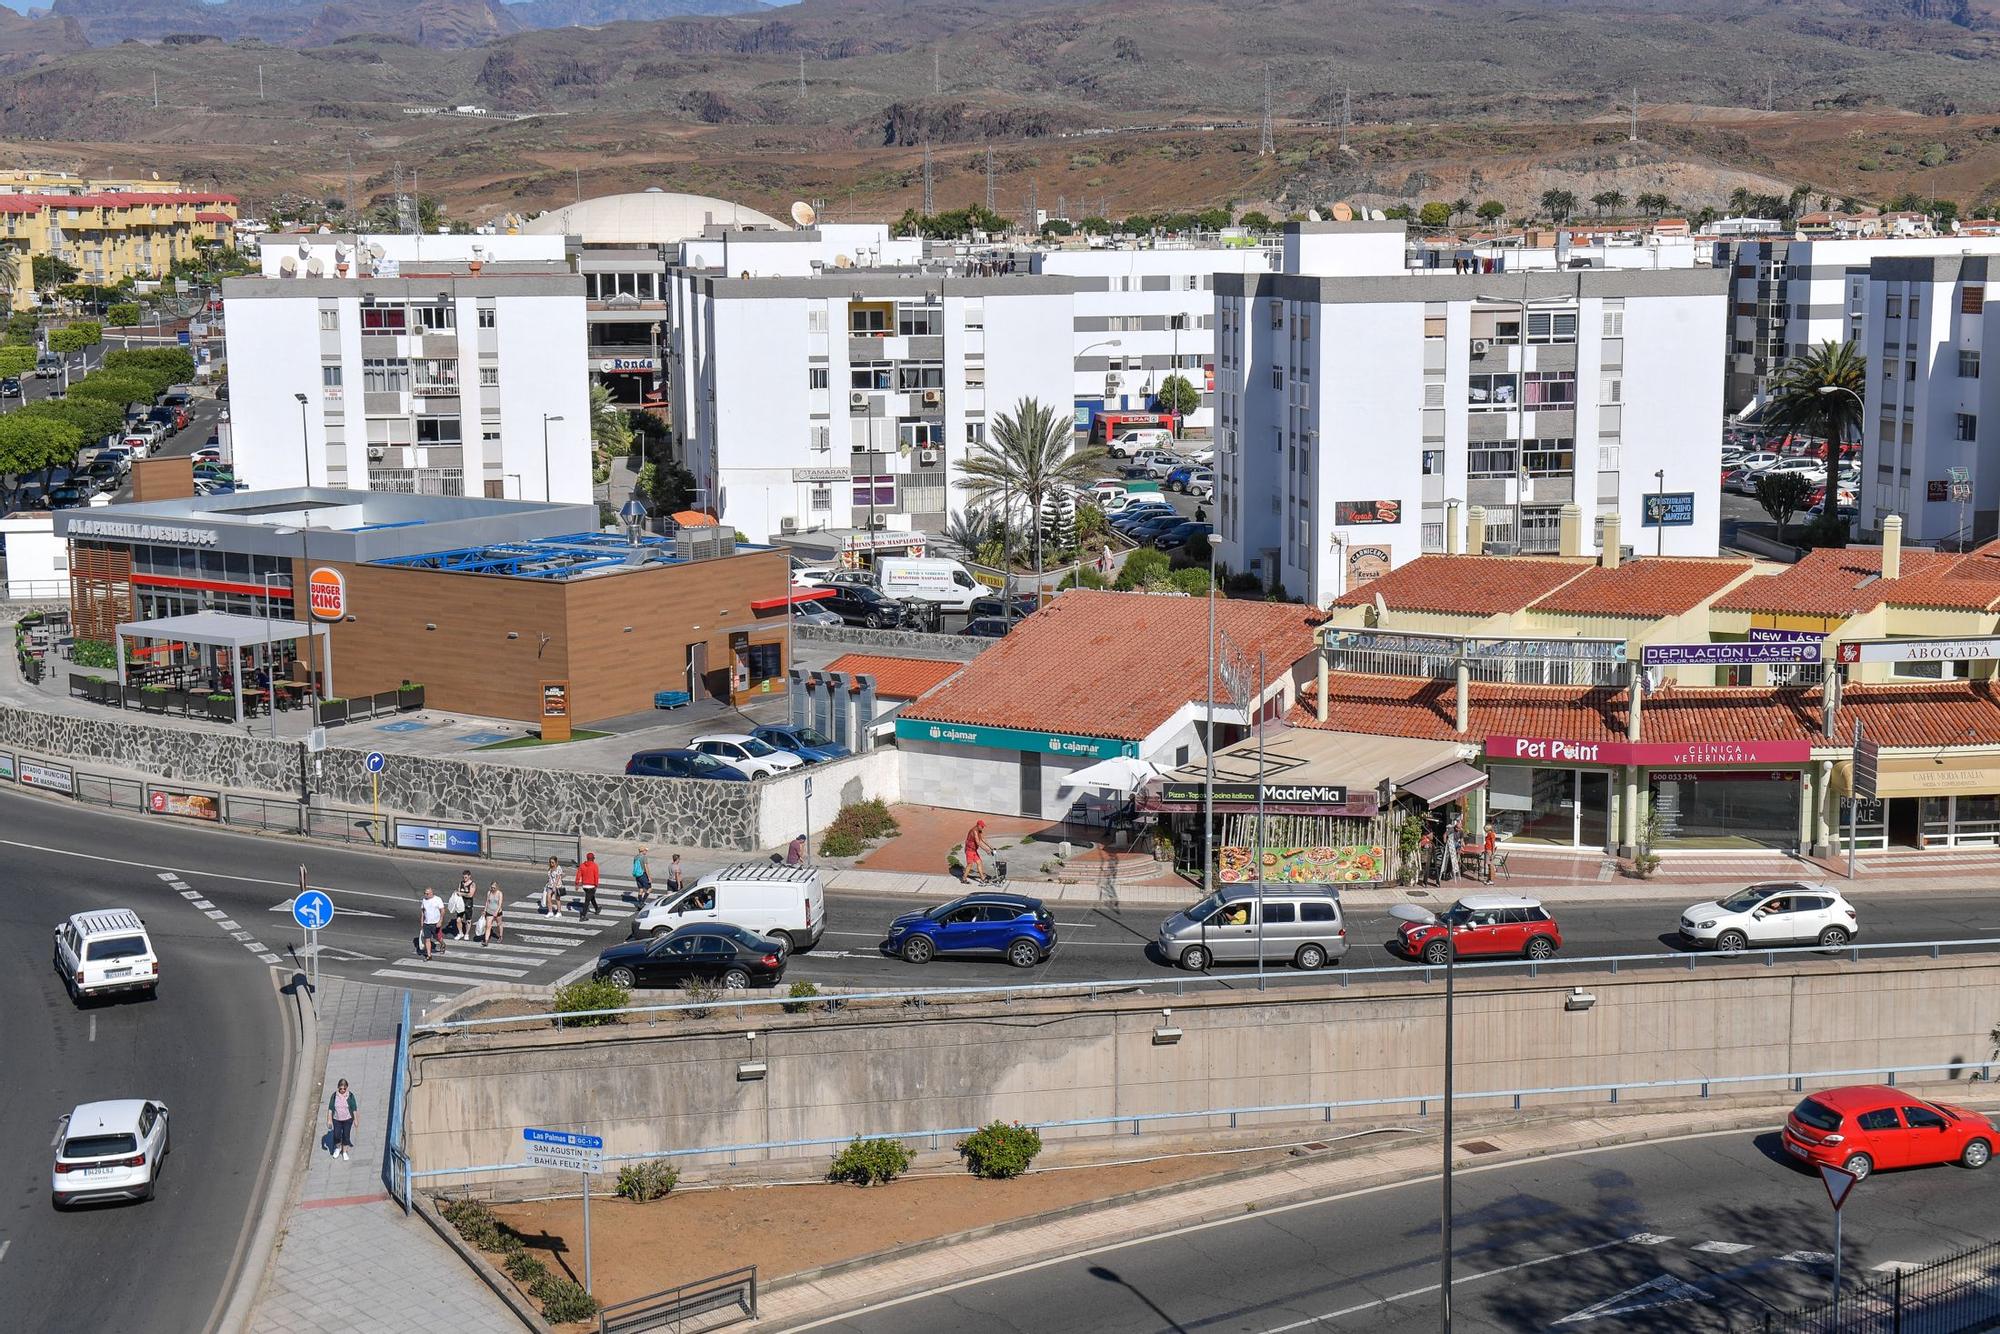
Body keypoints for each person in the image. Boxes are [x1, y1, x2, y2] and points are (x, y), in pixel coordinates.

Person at [327, 1078, 356, 1161]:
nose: (342, 1090)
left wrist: (356, 1120)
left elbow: (354, 1108)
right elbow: (330, 1108)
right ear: (338, 1088)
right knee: (336, 1134)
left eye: (344, 1088)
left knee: (346, 1135)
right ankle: (338, 1147)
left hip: (348, 1119)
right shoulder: (334, 1096)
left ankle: (344, 1152)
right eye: (341, 1088)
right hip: (337, 1119)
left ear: (347, 1087)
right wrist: (329, 1119)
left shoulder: (350, 1096)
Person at [417, 886, 443, 960]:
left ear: (431, 893)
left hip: (435, 923)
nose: (426, 895)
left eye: (427, 894)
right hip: (426, 923)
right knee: (427, 939)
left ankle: (442, 944)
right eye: (425, 893)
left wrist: (440, 921)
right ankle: (429, 955)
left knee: (437, 937)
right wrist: (422, 922)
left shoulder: (438, 899)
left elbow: (442, 911)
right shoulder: (424, 900)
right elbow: (423, 912)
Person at [576, 851, 600, 920]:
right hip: (592, 886)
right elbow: (596, 876)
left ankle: (597, 908)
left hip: (585, 886)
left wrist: (577, 883)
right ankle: (583, 915)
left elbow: (578, 874)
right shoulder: (595, 865)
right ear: (593, 858)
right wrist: (596, 885)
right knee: (587, 901)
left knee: (591, 897)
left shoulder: (582, 865)